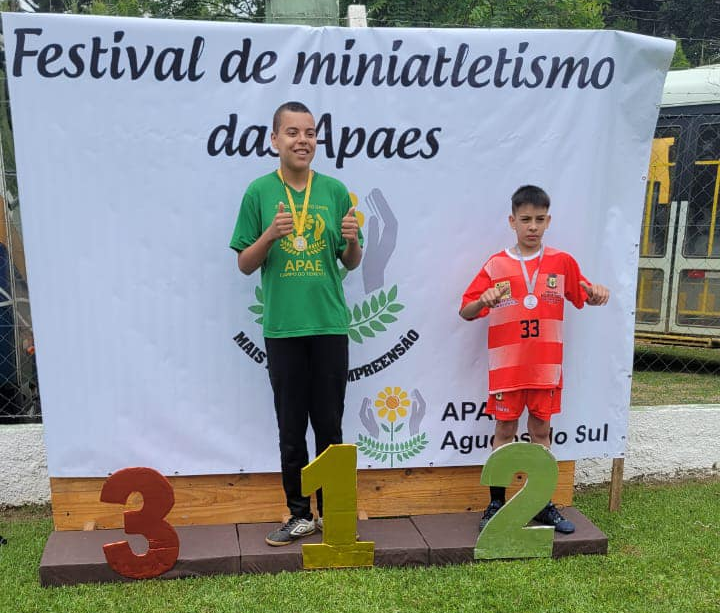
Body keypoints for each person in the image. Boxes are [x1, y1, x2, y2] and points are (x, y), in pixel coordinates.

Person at [230, 101, 362, 546]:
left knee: (330, 425)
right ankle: (299, 514)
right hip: (284, 329)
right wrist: (270, 235)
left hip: (329, 326)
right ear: (274, 140)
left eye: (309, 133)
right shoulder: (258, 193)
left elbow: (351, 260)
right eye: (292, 132)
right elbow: (245, 264)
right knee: (290, 427)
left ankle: (333, 514)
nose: (302, 140)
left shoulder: (336, 191)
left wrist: (352, 243)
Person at [459, 185, 609, 534]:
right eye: (525, 219)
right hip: (507, 370)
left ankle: (541, 502)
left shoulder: (562, 262)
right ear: (512, 221)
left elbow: (586, 295)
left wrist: (598, 293)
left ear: (548, 221)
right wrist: (483, 300)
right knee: (504, 431)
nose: (533, 227)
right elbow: (466, 311)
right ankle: (496, 503)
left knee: (541, 431)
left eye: (540, 220)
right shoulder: (496, 264)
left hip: (546, 369)